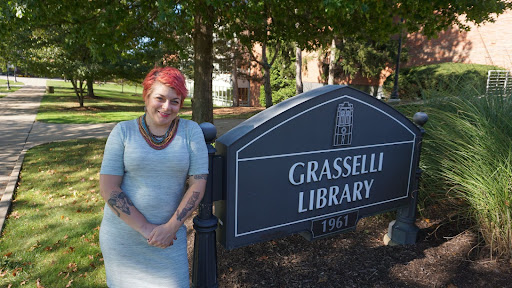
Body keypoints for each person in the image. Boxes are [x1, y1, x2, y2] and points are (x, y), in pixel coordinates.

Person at [99, 67, 208, 287]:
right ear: (146, 96)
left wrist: (169, 229)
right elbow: (109, 187)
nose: (167, 107)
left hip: (170, 240)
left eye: (175, 101)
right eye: (160, 98)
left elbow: (198, 184)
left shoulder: (191, 131)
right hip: (123, 242)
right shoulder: (123, 132)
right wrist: (147, 229)